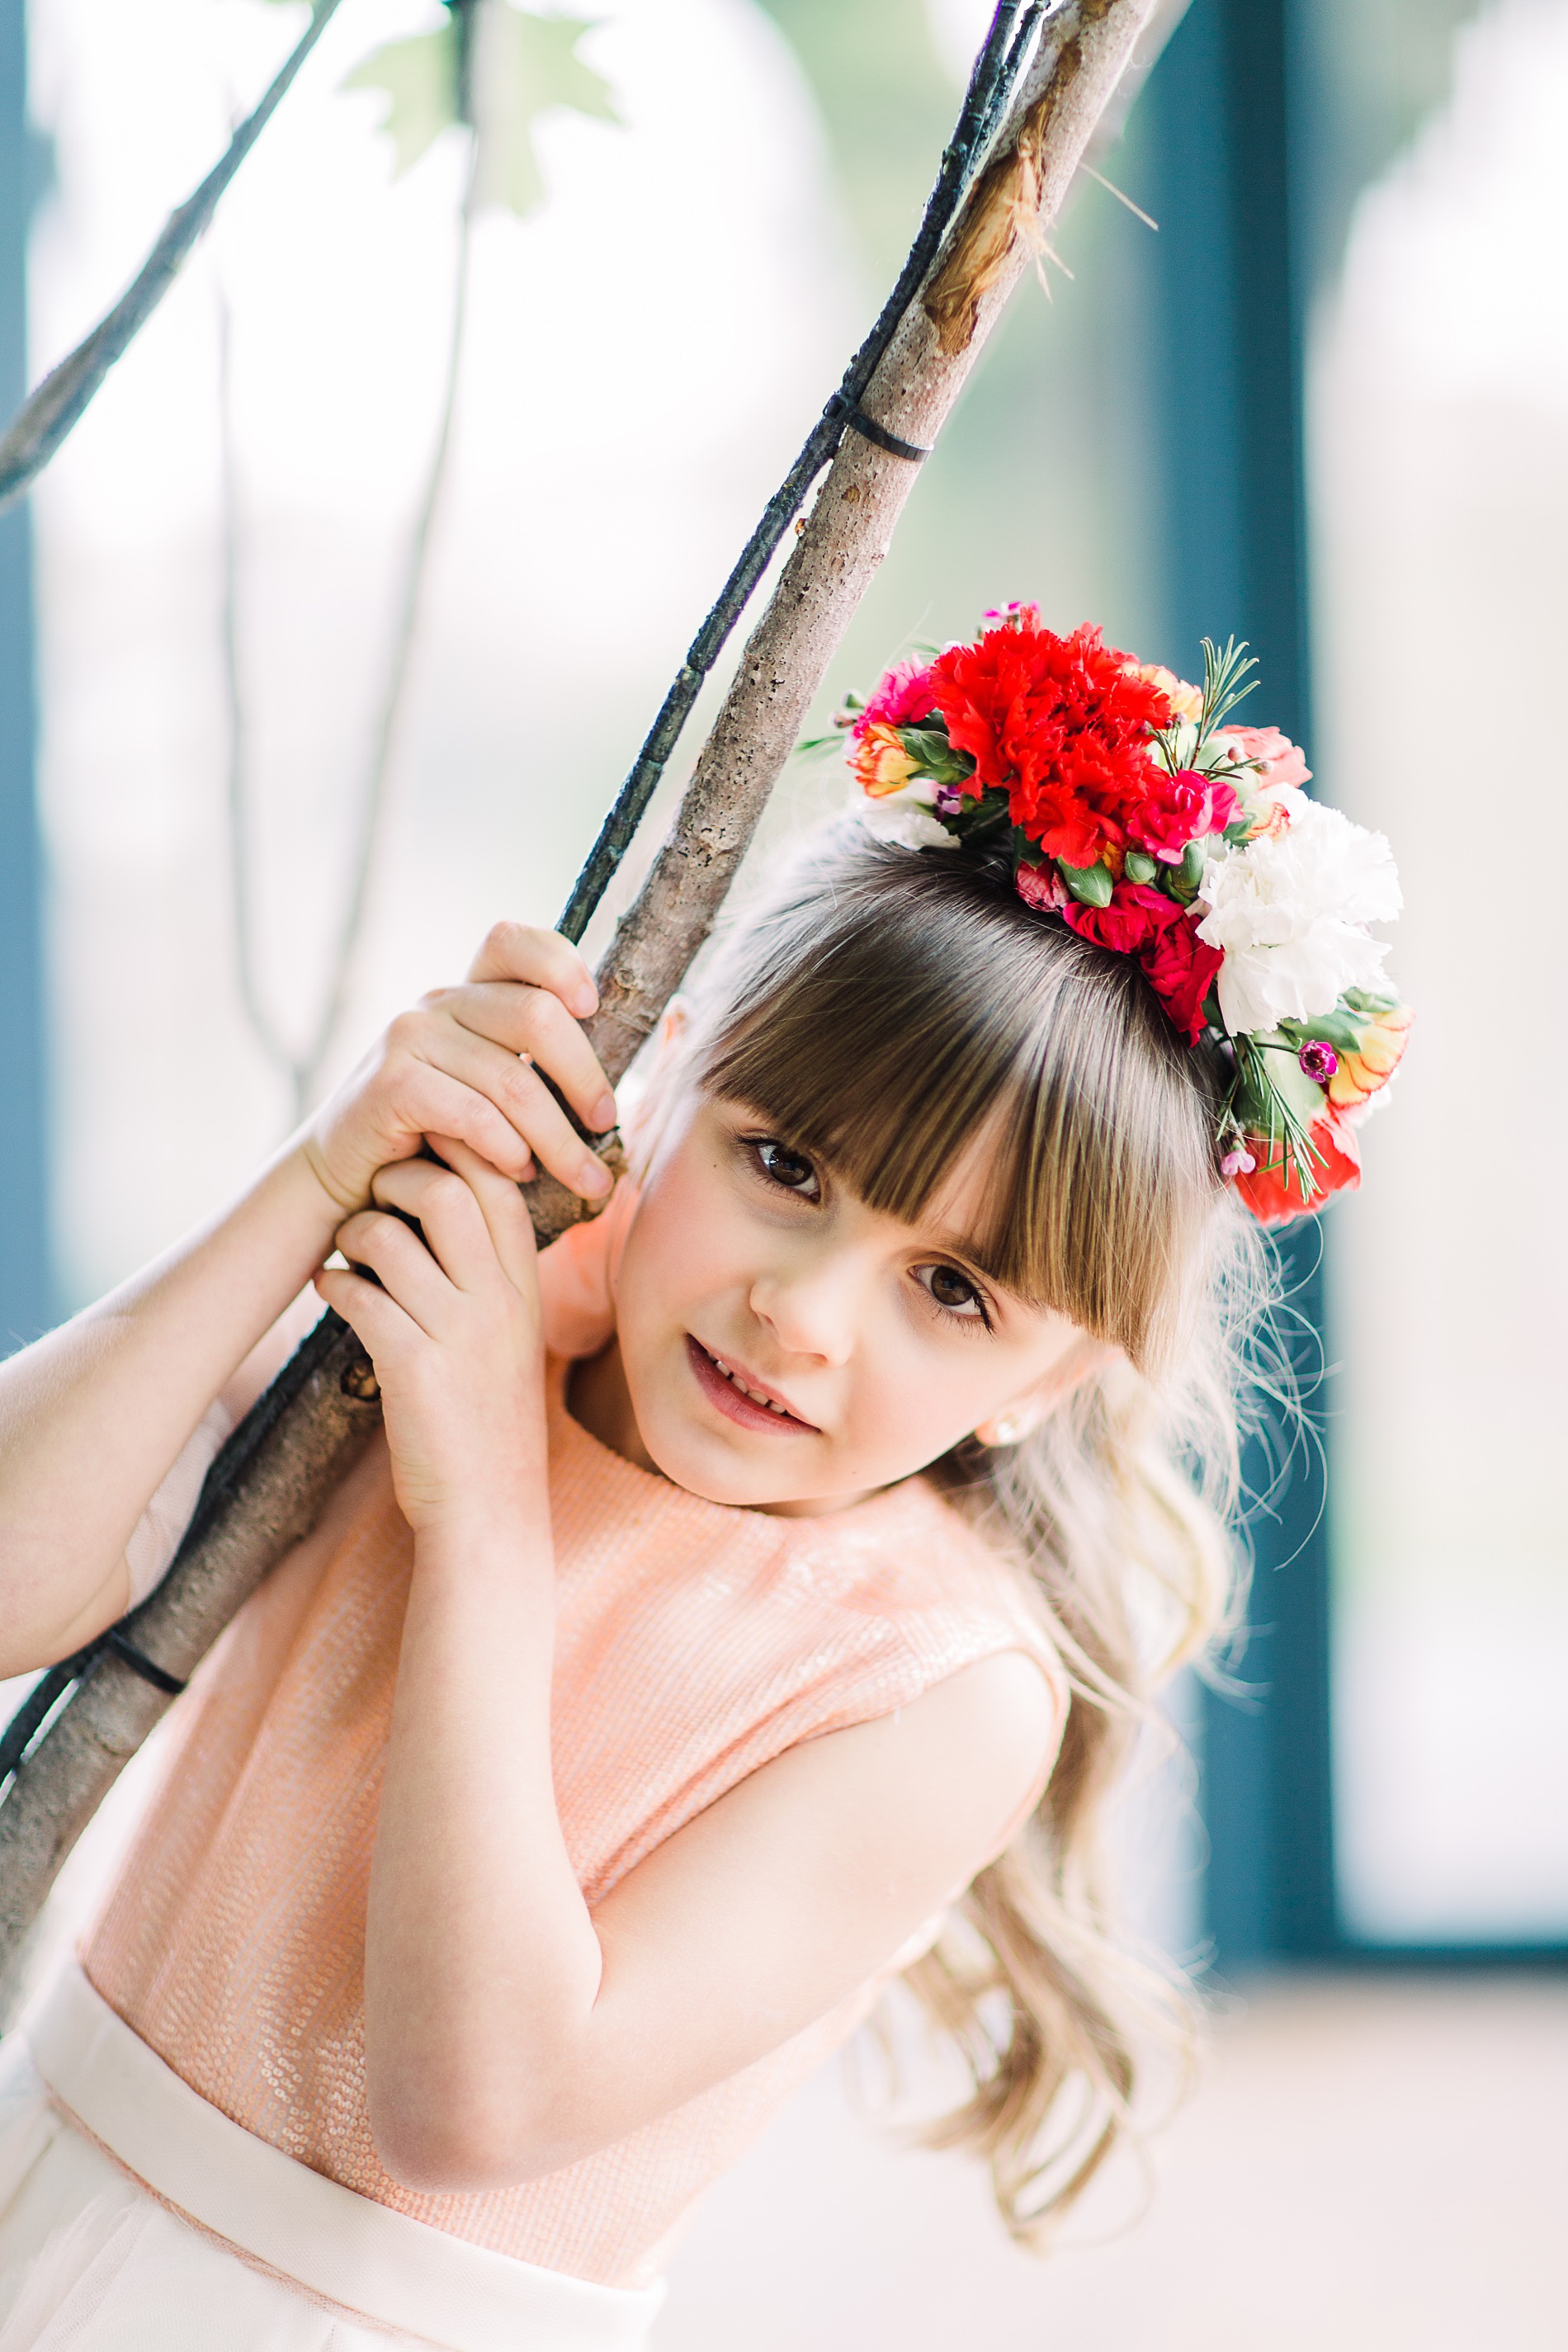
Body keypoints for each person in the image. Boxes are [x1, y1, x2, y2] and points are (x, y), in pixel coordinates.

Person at [0, 610, 1408, 2349]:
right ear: (666, 1081)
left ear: (1049, 1387)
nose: (798, 1317)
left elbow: (473, 2101)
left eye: (952, 1290)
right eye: (782, 1164)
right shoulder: (486, 1302)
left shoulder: (935, 1690)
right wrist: (318, 1182)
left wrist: (485, 1516)